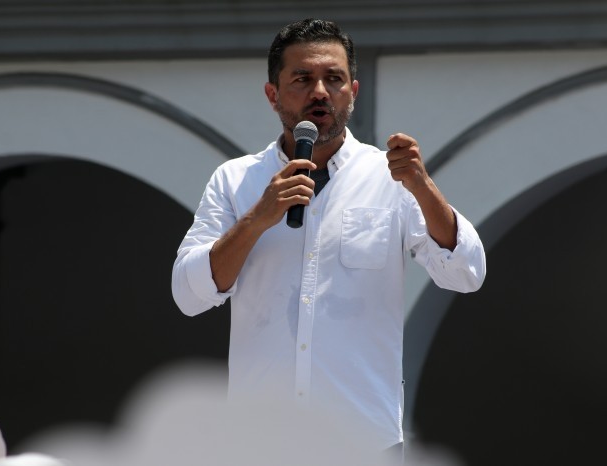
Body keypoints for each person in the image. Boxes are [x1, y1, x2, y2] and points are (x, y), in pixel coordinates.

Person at [172, 18, 486, 452]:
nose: (319, 91)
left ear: (352, 92)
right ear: (273, 94)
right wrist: (257, 218)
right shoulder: (235, 180)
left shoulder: (391, 178)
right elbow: (188, 295)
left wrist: (422, 186)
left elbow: (466, 273)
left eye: (334, 79)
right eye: (302, 79)